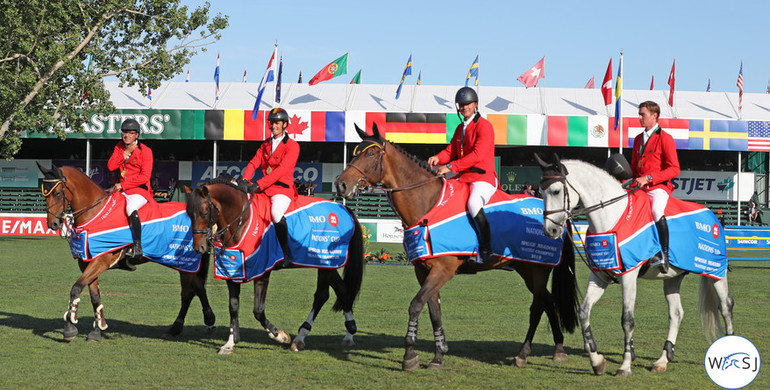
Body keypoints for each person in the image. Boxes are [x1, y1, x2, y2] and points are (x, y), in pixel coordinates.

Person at [428, 87, 498, 264]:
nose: (464, 107)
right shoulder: (460, 128)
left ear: (475, 104)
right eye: (461, 104)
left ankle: (486, 250)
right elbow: (451, 150)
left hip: (483, 178)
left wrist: (450, 166)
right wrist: (438, 157)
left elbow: (477, 155)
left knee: (473, 203)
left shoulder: (485, 126)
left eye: (467, 104)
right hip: (464, 178)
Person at [242, 107, 299, 262]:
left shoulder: (293, 145)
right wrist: (245, 179)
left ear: (285, 124)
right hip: (265, 188)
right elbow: (254, 162)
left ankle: (286, 253)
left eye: (277, 123)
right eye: (271, 123)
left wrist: (259, 184)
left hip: (282, 189)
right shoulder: (265, 144)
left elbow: (281, 171)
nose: (273, 126)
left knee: (275, 213)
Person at [631, 101, 680, 273]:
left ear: (654, 116)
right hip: (640, 187)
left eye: (642, 114)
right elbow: (633, 168)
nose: (639, 118)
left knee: (657, 211)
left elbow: (675, 169)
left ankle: (664, 255)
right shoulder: (638, 139)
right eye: (639, 114)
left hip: (658, 187)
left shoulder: (665, 138)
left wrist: (649, 178)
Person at [107, 118, 154, 269]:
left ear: (137, 135)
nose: (126, 135)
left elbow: (144, 177)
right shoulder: (120, 148)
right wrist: (125, 152)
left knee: (130, 209)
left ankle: (138, 246)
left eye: (130, 133)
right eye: (124, 132)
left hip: (139, 190)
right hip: (122, 189)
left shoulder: (146, 151)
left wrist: (123, 184)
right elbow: (110, 166)